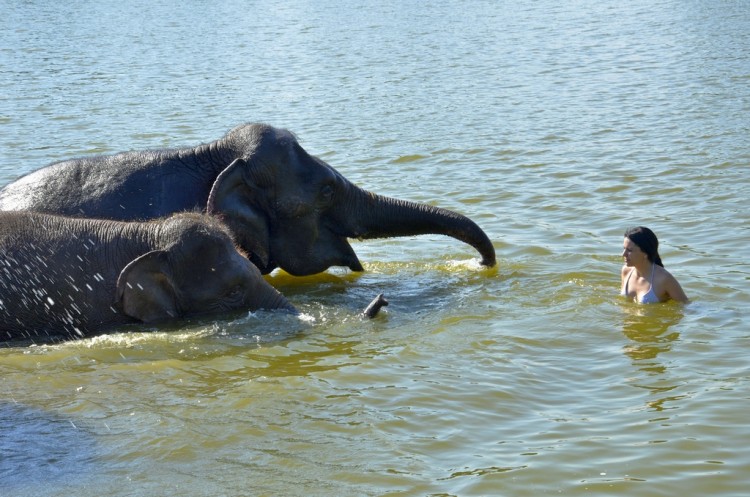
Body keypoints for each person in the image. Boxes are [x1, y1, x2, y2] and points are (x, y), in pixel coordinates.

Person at [621, 226, 688, 303]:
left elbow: (685, 305)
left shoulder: (664, 278)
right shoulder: (626, 271)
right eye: (624, 248)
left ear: (645, 253)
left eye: (629, 250)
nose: (623, 254)